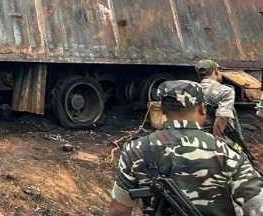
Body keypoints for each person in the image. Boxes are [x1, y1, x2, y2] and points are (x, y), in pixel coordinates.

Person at [107, 80, 263, 216]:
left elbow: (119, 210)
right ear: (202, 109)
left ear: (162, 110)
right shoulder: (227, 152)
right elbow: (257, 207)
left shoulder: (135, 149)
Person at [195, 58, 237, 138]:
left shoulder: (193, 89)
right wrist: (218, 142)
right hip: (214, 137)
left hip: (197, 135)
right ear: (216, 71)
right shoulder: (226, 90)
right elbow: (222, 117)